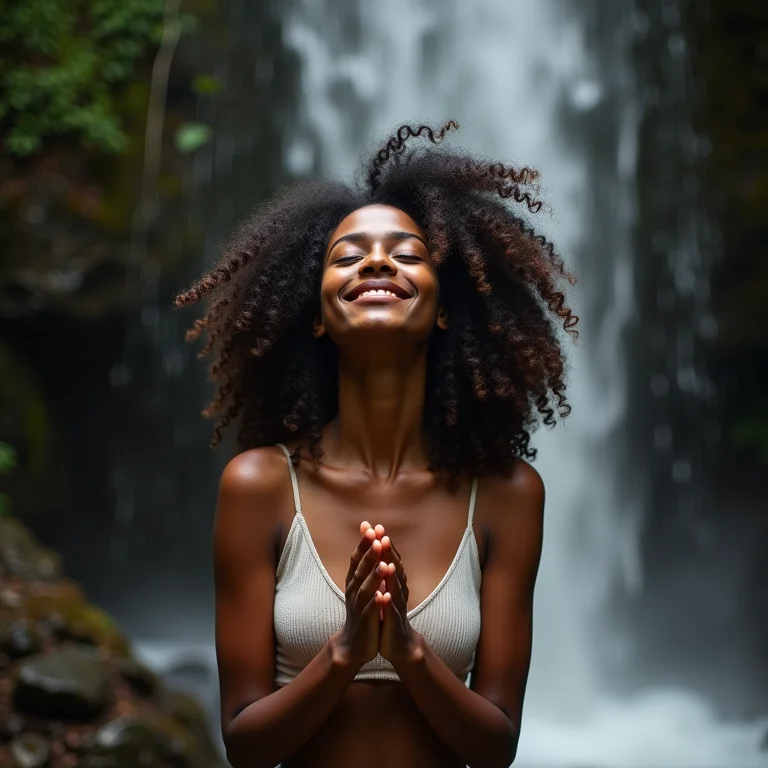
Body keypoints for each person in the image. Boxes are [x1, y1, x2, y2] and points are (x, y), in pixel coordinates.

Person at [176, 121, 578, 768]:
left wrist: (409, 651)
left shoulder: (507, 494)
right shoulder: (260, 486)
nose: (376, 262)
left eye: (408, 254)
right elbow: (245, 745)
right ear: (316, 315)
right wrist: (347, 651)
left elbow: (496, 745)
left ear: (444, 310)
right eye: (346, 257)